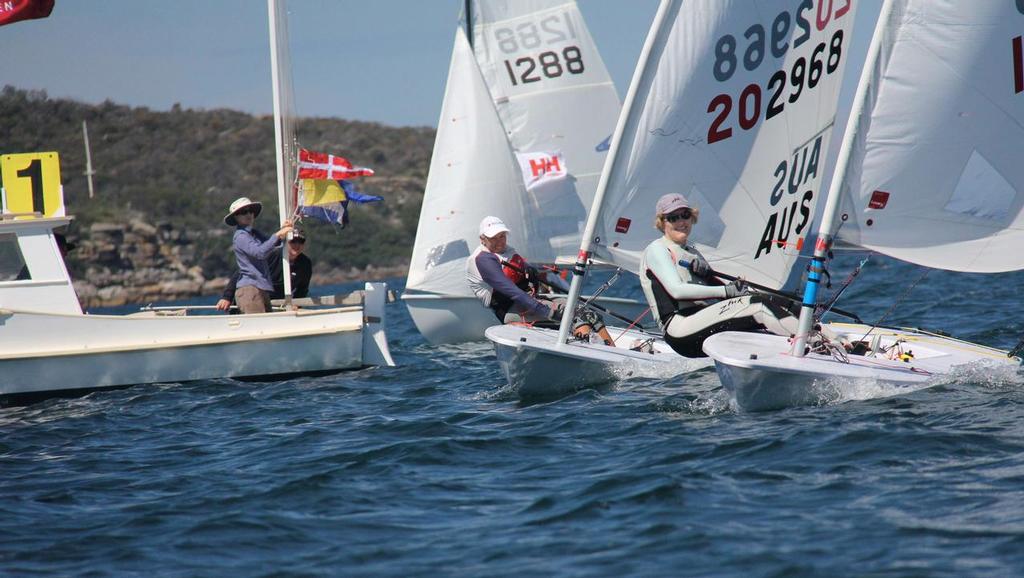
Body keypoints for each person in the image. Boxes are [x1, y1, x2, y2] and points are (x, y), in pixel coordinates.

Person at [639, 193, 819, 357]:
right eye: (673, 217)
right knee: (759, 306)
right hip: (680, 328)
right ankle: (814, 342)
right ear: (662, 223)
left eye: (685, 215)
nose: (681, 221)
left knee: (783, 302)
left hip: (701, 320)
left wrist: (710, 277)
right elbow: (677, 291)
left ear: (692, 217)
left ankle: (833, 339)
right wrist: (726, 291)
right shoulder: (657, 249)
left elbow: (719, 288)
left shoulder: (692, 252)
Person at [466, 215, 613, 344]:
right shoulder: (482, 259)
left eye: (502, 236)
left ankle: (613, 352)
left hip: (530, 301)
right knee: (575, 316)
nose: (500, 241)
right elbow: (511, 291)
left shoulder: (506, 251)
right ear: (482, 239)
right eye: (494, 238)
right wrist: (547, 312)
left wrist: (530, 270)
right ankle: (592, 356)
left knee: (588, 313)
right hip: (511, 310)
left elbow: (525, 271)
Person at [223, 196, 292, 314]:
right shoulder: (241, 236)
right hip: (249, 289)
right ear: (236, 217)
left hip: (260, 288)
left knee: (265, 326)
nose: (248, 214)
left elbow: (274, 244)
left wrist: (284, 230)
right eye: (243, 212)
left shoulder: (254, 233)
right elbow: (260, 253)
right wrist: (279, 234)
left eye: (250, 211)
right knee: (260, 327)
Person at [217, 228, 312, 311]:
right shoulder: (270, 255)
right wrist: (227, 297)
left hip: (278, 305)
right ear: (285, 241)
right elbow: (242, 273)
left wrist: (297, 305)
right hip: (255, 297)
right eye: (293, 241)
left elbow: (302, 289)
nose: (297, 245)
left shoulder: (305, 264)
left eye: (301, 241)